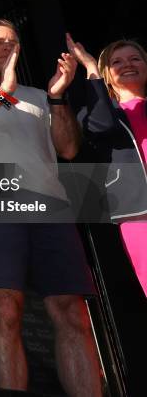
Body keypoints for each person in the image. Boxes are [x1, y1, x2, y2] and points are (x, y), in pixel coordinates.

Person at [0, 20, 102, 396]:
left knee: (72, 311)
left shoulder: (37, 95)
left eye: (13, 42)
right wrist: (2, 92)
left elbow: (67, 149)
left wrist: (57, 97)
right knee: (5, 306)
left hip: (51, 204)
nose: (8, 46)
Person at [67, 34, 147, 297]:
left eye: (135, 58)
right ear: (106, 75)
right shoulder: (100, 112)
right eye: (117, 62)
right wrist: (90, 67)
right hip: (139, 213)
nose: (127, 64)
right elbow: (101, 125)